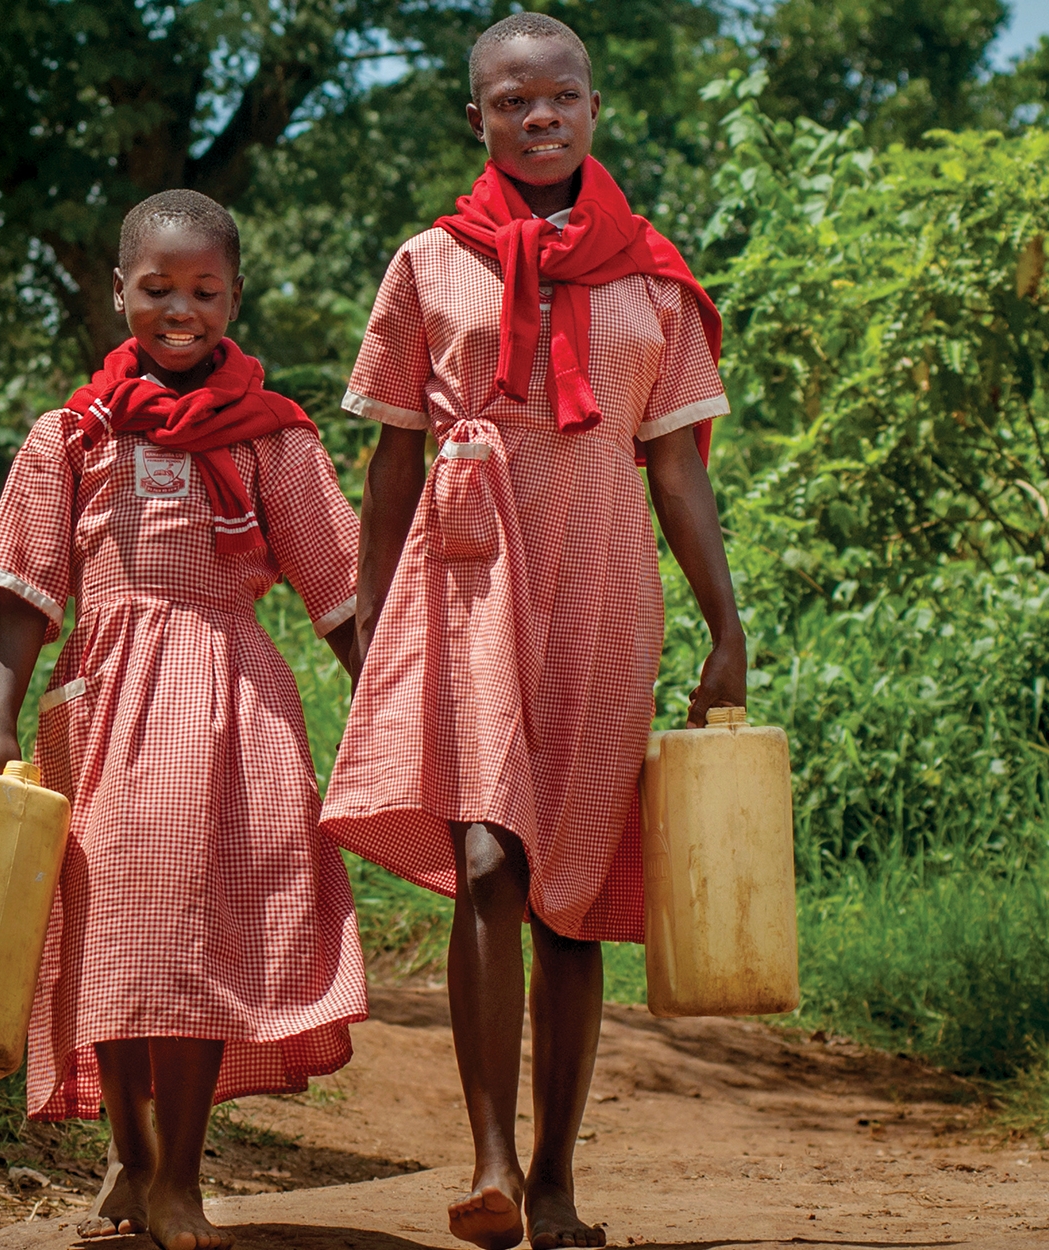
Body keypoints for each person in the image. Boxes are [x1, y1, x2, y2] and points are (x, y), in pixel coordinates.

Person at [319, 14, 748, 1250]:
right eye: (512, 102)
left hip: (607, 581)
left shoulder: (653, 277)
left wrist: (725, 620)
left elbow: (676, 470)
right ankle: (492, 1161)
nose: (538, 117)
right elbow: (391, 459)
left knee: (571, 893)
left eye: (559, 97)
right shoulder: (424, 264)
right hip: (465, 580)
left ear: (593, 108)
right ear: (478, 120)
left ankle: (558, 1177)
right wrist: (371, 628)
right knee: (488, 863)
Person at [0, 188, 368, 1250]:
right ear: (117, 292)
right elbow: (22, 589)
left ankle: (179, 1177)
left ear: (233, 296)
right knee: (123, 937)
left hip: (231, 693)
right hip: (102, 699)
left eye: (202, 290)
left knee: (200, 934)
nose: (178, 309)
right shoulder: (71, 435)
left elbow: (339, 586)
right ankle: (132, 1158)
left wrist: (385, 706)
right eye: (156, 289)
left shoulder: (271, 437)